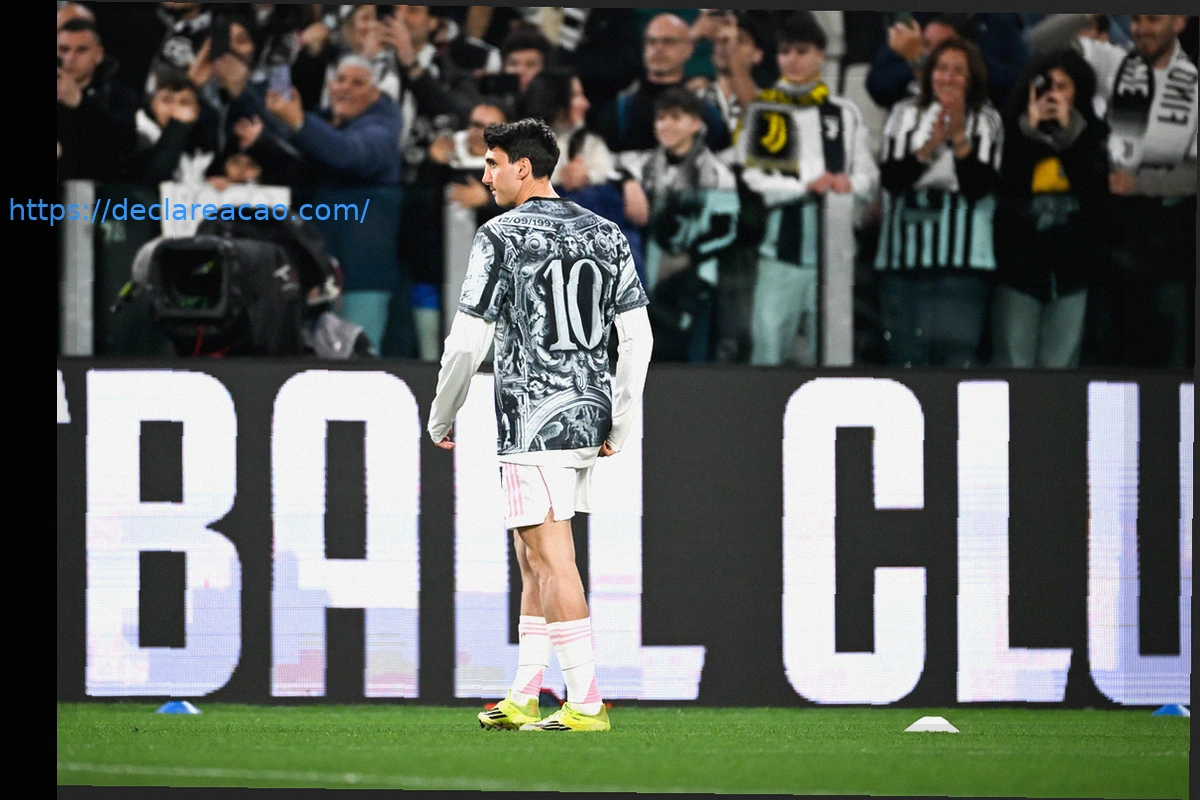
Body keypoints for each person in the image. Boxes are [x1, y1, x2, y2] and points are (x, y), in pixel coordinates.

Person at [427, 119, 653, 733]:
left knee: (553, 559)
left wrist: (443, 412)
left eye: (492, 163)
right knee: (532, 557)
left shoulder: (500, 235)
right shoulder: (606, 233)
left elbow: (467, 340)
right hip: (586, 414)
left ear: (522, 168)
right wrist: (619, 420)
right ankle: (525, 693)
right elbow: (637, 338)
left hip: (532, 420)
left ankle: (586, 703)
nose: (485, 176)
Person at [1030, 14, 1197, 367]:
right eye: (1136, 19)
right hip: (1109, 231)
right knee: (1105, 357)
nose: (1141, 28)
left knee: (1162, 356)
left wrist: (1142, 183)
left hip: (1169, 237)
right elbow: (1037, 45)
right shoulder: (1115, 61)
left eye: (1153, 19)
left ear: (1180, 22)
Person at [737, 13, 879, 367]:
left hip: (836, 257)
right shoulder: (767, 110)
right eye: (785, 52)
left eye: (801, 51)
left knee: (834, 357)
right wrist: (806, 185)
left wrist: (848, 184)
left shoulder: (843, 113)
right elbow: (755, 178)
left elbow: (868, 175)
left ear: (820, 55)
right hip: (781, 257)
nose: (792, 60)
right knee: (767, 353)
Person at [874, 37, 1004, 368]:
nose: (948, 77)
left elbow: (978, 187)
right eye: (942, 68)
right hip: (903, 259)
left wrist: (958, 137)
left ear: (971, 79)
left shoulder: (986, 120)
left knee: (954, 362)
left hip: (962, 265)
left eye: (958, 70)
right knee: (906, 360)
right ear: (929, 73)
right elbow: (891, 179)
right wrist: (929, 147)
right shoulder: (903, 114)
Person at [991, 49, 1110, 368]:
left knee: (1061, 371)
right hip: (1020, 271)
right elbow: (1008, 190)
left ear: (1078, 90)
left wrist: (1068, 135)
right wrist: (1029, 132)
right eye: (1046, 86)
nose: (1053, 95)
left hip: (1073, 273)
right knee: (1013, 366)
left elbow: (1094, 193)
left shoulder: (1093, 133)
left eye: (1062, 86)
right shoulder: (1010, 131)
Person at [616, 87, 739, 361]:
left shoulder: (717, 173)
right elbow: (606, 168)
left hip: (696, 283)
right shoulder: (642, 166)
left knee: (693, 363)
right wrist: (628, 182)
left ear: (695, 123)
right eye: (660, 118)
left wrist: (687, 257)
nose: (665, 125)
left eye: (675, 117)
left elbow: (727, 231)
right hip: (648, 282)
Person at [595, 13, 731, 155]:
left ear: (689, 49)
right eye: (652, 42)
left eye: (668, 42)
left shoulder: (706, 113)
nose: (658, 48)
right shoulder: (619, 112)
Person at [867, 13, 1028, 111]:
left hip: (980, 125)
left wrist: (965, 60)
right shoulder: (915, 21)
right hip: (917, 125)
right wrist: (918, 60)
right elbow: (877, 87)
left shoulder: (995, 20)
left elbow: (1021, 84)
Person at [57, 18, 140, 182]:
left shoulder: (118, 94)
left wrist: (81, 103)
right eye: (63, 49)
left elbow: (125, 143)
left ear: (98, 55)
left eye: (81, 50)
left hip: (99, 184)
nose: (70, 58)